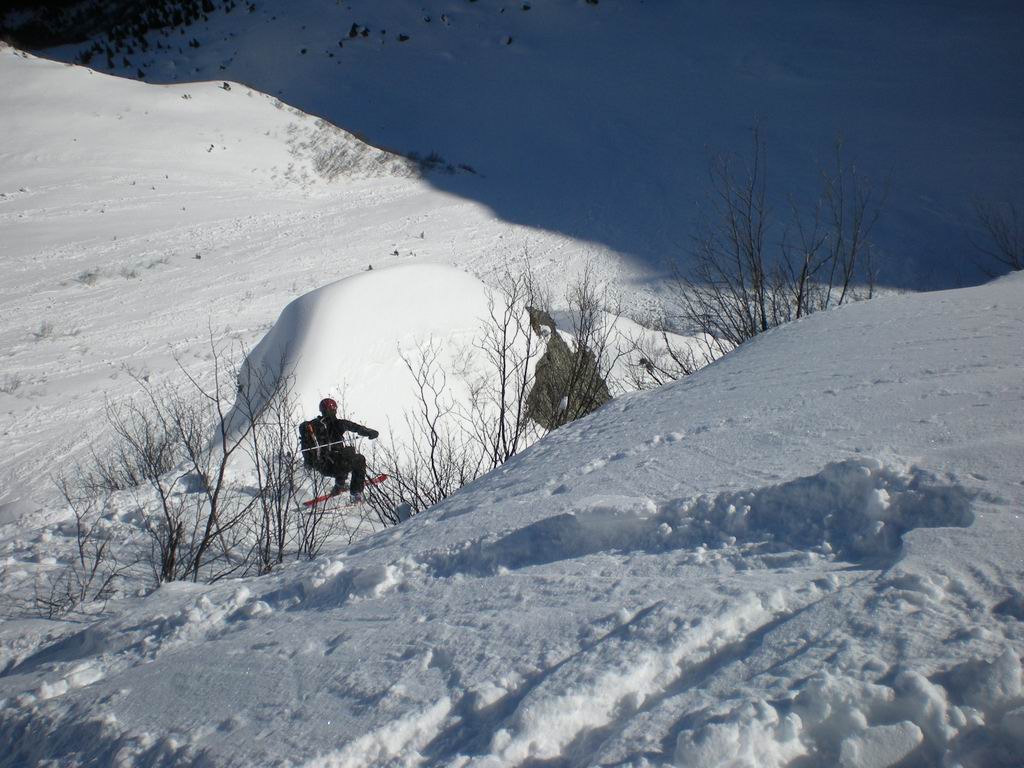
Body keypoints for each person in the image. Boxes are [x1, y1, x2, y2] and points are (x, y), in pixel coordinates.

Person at [299, 398, 379, 501]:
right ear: (334, 410)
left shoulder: (313, 425)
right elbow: (355, 427)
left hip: (322, 466)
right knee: (359, 459)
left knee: (345, 454)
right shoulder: (338, 423)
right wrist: (369, 432)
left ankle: (339, 485)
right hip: (333, 466)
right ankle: (356, 494)